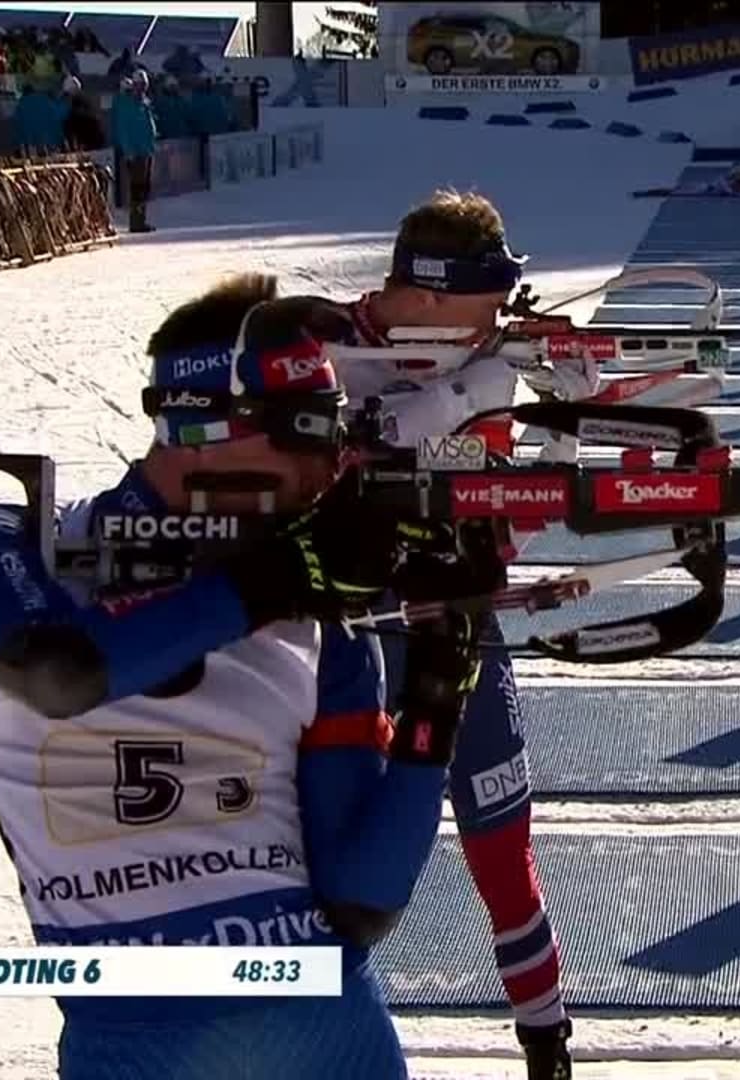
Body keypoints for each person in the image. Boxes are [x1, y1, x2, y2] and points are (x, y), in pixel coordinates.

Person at [0, 272, 484, 1079]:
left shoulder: (318, 617)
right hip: (132, 1041)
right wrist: (272, 583)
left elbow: (361, 899)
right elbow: (59, 673)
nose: (331, 470)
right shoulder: (11, 544)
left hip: (323, 1025)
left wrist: (438, 692)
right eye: (308, 432)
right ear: (199, 427)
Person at [235, 189, 593, 1080]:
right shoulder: (311, 340)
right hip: (334, 649)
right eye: (487, 300)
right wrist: (432, 405)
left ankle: (547, 1045)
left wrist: (562, 438)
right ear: (430, 296)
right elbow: (274, 477)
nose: (500, 318)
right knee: (320, 866)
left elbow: (505, 528)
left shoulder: (487, 359)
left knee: (501, 849)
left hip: (456, 637)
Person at [110, 70, 157, 234]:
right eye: (139, 85)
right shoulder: (127, 105)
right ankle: (136, 222)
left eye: (144, 85)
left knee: (144, 187)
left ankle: (141, 219)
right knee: (137, 187)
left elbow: (148, 127)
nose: (142, 88)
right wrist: (128, 150)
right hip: (136, 153)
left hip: (146, 151)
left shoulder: (144, 104)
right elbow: (124, 129)